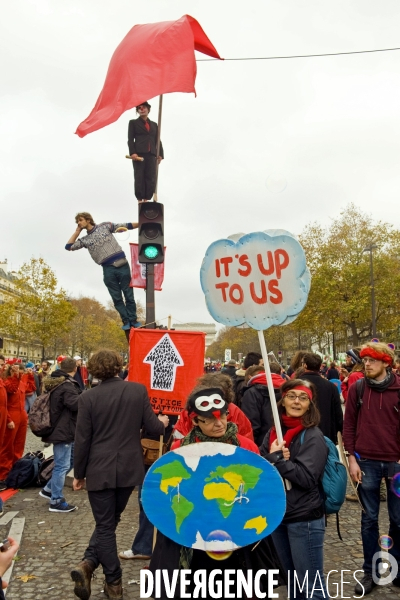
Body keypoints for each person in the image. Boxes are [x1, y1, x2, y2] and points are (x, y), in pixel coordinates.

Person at [150, 386, 282, 599]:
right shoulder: (178, 449)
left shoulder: (246, 447)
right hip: (195, 536)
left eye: (222, 416)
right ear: (194, 421)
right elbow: (168, 493)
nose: (219, 423)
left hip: (237, 536)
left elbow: (258, 490)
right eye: (210, 419)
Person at [71, 349, 168, 600]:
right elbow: (154, 427)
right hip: (128, 468)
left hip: (99, 468)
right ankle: (93, 566)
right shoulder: (137, 390)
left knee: (105, 525)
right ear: (118, 366)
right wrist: (164, 422)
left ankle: (109, 578)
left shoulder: (88, 398)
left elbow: (82, 441)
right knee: (110, 522)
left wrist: (78, 473)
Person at [260, 379, 329, 600]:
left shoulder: (313, 436)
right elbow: (261, 466)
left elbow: (307, 478)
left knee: (312, 589)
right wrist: (270, 458)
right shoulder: (273, 432)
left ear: (310, 404)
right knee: (294, 587)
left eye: (303, 398)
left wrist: (279, 461)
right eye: (291, 396)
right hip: (279, 516)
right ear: (283, 400)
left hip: (304, 518)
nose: (296, 402)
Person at [343, 341, 400, 595]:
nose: (366, 365)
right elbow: (349, 426)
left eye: (372, 361)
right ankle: (371, 572)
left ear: (386, 363)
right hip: (365, 461)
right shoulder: (357, 388)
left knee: (398, 520)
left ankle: (397, 570)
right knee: (369, 520)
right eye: (364, 360)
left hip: (396, 462)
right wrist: (352, 459)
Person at [66, 213, 140, 333]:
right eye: (77, 222)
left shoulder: (105, 226)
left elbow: (125, 226)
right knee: (116, 297)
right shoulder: (85, 240)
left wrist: (142, 224)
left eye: (80, 220)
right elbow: (68, 246)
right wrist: (77, 231)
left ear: (88, 219)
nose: (79, 223)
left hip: (121, 264)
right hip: (107, 268)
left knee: (128, 294)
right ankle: (126, 321)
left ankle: (133, 320)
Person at [39, 357, 82, 513]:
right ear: (75, 369)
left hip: (61, 428)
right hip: (63, 430)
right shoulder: (67, 385)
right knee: (62, 465)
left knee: (69, 459)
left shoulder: (55, 380)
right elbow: (75, 404)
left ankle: (49, 489)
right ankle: (56, 500)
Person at [0, 363, 34, 485]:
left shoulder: (20, 380)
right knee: (8, 445)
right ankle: (4, 473)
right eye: (17, 369)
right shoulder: (7, 381)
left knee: (19, 444)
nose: (20, 371)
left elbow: (31, 389)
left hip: (21, 413)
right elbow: (7, 396)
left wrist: (29, 376)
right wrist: (9, 419)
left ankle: (16, 468)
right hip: (12, 413)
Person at [301, 353, 343, 444]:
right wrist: (340, 431)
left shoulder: (296, 384)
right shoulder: (331, 387)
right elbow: (338, 413)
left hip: (300, 433)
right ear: (320, 366)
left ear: (305, 365)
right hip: (326, 433)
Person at [241, 363, 285, 446]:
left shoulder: (252, 392)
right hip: (283, 441)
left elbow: (251, 423)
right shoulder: (286, 389)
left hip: (261, 444)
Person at [128, 102, 164, 202]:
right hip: (139, 154)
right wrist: (133, 153)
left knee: (151, 176)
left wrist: (160, 154)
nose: (141, 109)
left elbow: (158, 140)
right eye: (139, 108)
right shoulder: (133, 123)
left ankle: (146, 199)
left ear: (148, 109)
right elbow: (130, 139)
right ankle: (140, 199)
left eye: (144, 107)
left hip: (151, 153)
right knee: (139, 176)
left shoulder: (154, 125)